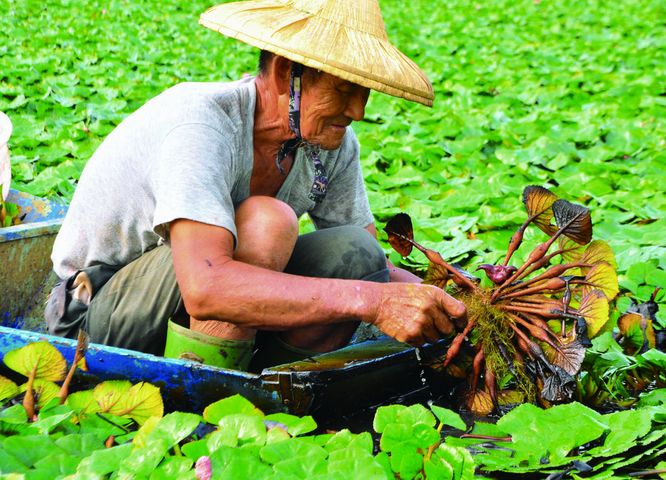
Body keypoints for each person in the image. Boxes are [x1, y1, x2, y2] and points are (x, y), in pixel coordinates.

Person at [45, 0, 467, 371]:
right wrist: (370, 302)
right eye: (343, 90)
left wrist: (459, 302)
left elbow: (374, 268)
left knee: (355, 251)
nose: (356, 110)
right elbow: (207, 289)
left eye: (365, 93)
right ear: (287, 74)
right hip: (98, 315)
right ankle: (206, 403)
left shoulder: (330, 141)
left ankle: (261, 386)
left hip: (220, 311)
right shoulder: (202, 124)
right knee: (267, 221)